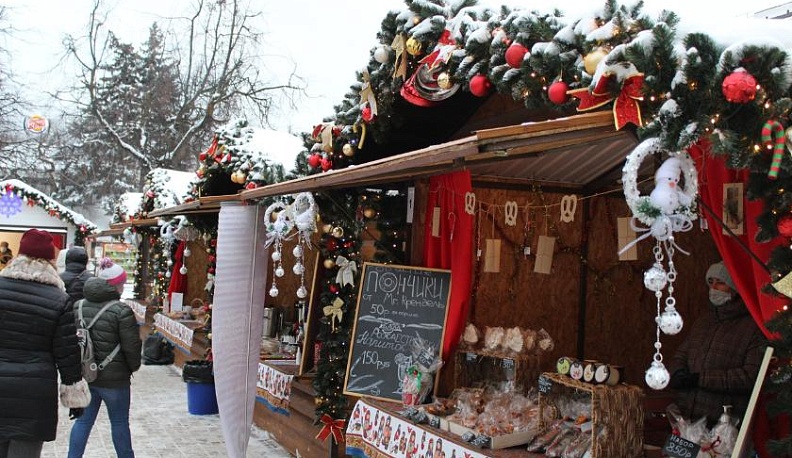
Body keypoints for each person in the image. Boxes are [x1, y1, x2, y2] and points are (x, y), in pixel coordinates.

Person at [0, 229, 90, 458]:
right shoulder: (58, 299)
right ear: (51, 259)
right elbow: (67, 351)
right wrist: (74, 395)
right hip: (34, 393)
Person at [669, 261, 766, 427]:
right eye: (710, 282)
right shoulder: (704, 321)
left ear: (735, 287)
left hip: (723, 425)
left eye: (720, 282)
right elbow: (682, 353)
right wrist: (678, 372)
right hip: (687, 420)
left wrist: (701, 379)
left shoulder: (752, 327)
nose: (714, 287)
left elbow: (749, 376)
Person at [67, 258, 141, 458]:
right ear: (114, 285)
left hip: (86, 376)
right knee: (119, 423)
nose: (124, 286)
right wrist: (132, 367)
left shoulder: (78, 306)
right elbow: (132, 347)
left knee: (82, 422)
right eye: (122, 283)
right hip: (115, 380)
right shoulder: (121, 310)